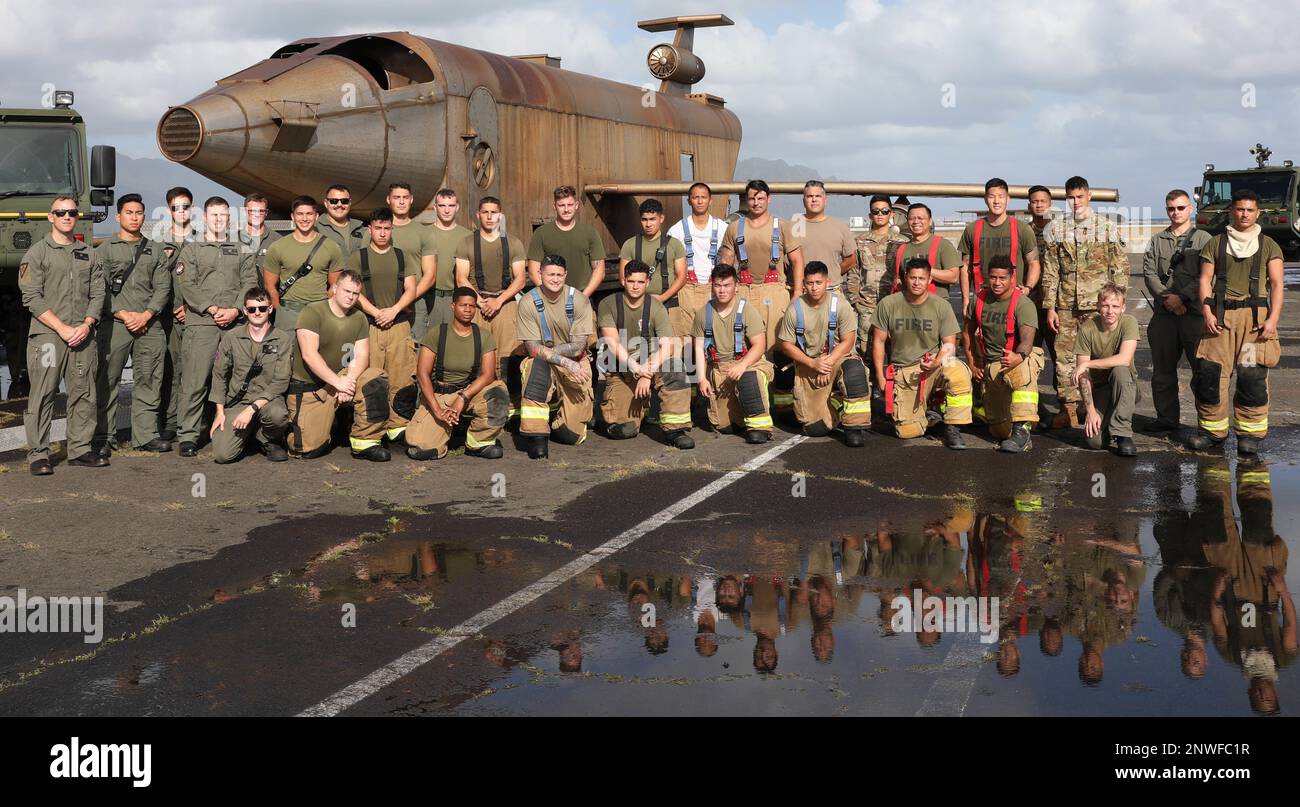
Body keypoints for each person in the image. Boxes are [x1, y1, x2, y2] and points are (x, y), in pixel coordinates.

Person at [1188, 188, 1285, 455]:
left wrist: (1272, 319)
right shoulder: (1216, 243)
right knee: (1210, 375)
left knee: (1251, 377)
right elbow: (1205, 280)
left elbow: (1277, 285)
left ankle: (1249, 435)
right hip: (1220, 318)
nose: (1244, 214)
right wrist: (1207, 313)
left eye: (1249, 210)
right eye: (1240, 209)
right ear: (1232, 211)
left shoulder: (1269, 245)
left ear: (1258, 213)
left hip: (1254, 322)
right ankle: (1212, 432)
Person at [19, 197, 105, 474]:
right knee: (43, 393)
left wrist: (88, 323)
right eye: (61, 212)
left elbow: (98, 293)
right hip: (48, 335)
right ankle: (38, 454)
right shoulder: (37, 254)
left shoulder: (88, 253)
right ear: (50, 217)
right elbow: (32, 297)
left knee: (83, 392)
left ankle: (80, 449)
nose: (67, 216)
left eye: (71, 212)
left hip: (82, 334)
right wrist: (62, 328)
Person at [1040, 176, 1130, 429]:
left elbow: (1120, 266)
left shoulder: (1106, 227)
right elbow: (1051, 270)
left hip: (1098, 306)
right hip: (1066, 305)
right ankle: (1068, 409)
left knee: (1101, 356)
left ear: (1089, 196)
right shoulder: (1057, 230)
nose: (1075, 201)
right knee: (1065, 358)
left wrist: (1116, 303)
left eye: (1080, 196)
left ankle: (1101, 405)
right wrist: (1050, 307)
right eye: (1071, 197)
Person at [174, 196, 259, 457]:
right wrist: (212, 309)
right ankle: (188, 435)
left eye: (223, 215)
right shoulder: (192, 249)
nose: (219, 220)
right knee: (195, 379)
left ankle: (237, 433)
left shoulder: (242, 247)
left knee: (237, 379)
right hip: (203, 323)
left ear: (229, 218)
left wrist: (235, 309)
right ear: (204, 217)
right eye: (214, 215)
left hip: (235, 322)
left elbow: (249, 280)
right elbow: (187, 285)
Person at [93, 194, 172, 457]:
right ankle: (104, 437)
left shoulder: (156, 249)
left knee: (149, 379)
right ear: (118, 216)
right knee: (108, 380)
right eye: (129, 212)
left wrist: (147, 314)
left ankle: (146, 435)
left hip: (149, 325)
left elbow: (163, 287)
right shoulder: (104, 250)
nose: (135, 217)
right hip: (115, 324)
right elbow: (98, 289)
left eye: (139, 213)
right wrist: (123, 313)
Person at [718, 179, 805, 412]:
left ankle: (784, 407)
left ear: (769, 199)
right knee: (747, 346)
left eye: (760, 198)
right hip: (744, 292)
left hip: (775, 291)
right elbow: (726, 260)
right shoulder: (735, 227)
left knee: (781, 347)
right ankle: (752, 402)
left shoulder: (783, 226)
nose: (756, 202)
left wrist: (797, 293)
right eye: (752, 198)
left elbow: (797, 260)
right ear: (746, 200)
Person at [287, 270, 390, 461]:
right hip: (313, 387)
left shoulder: (359, 317)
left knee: (375, 377)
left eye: (355, 293)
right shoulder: (313, 311)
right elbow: (309, 355)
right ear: (334, 288)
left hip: (341, 379)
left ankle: (365, 442)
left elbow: (361, 355)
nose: (350, 297)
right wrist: (338, 383)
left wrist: (348, 381)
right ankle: (322, 427)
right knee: (307, 450)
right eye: (346, 291)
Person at [872, 257, 972, 449]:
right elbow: (879, 341)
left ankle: (953, 427)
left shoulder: (941, 305)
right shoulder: (888, 304)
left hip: (934, 363)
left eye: (922, 278)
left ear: (929, 280)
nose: (917, 282)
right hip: (906, 370)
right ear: (905, 278)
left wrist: (937, 361)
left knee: (957, 370)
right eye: (913, 278)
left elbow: (950, 344)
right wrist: (880, 376)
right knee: (907, 432)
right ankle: (930, 417)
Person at [597, 260, 693, 448]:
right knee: (624, 430)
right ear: (623, 281)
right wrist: (637, 370)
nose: (635, 286)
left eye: (640, 282)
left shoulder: (656, 306)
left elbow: (668, 346)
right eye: (631, 281)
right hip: (622, 368)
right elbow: (612, 342)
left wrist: (647, 373)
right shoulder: (607, 304)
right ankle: (619, 413)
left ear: (647, 283)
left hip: (649, 362)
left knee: (675, 367)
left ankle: (675, 429)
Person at [406, 287, 509, 460]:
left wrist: (462, 398)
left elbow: (488, 374)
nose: (468, 310)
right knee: (422, 449)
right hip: (440, 394)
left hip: (468, 393)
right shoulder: (438, 333)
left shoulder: (484, 336)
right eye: (463, 305)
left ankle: (478, 442)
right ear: (453, 306)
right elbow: (422, 373)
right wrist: (437, 410)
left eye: (472, 306)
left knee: (498, 391)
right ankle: (445, 429)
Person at [1142, 189, 1212, 434]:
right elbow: (1149, 273)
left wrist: (1182, 297)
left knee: (1202, 372)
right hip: (1164, 315)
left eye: (1181, 208)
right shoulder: (1157, 240)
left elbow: (1206, 276)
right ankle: (1166, 419)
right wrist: (1167, 299)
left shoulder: (1204, 239)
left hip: (1193, 315)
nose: (1176, 213)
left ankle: (1208, 423)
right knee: (1162, 372)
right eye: (1171, 208)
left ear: (1190, 209)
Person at [348, 207, 420, 445]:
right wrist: (377, 312)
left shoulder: (402, 256)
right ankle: (372, 429)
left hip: (398, 324)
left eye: (386, 228)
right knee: (371, 379)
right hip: (369, 325)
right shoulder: (359, 257)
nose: (382, 233)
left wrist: (394, 310)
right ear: (370, 229)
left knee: (402, 378)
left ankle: (398, 427)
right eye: (377, 228)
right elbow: (353, 292)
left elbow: (411, 289)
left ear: (392, 229)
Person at [777, 261, 870, 445]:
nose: (814, 288)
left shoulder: (841, 306)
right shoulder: (795, 309)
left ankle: (854, 427)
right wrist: (813, 364)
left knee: (854, 370)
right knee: (815, 429)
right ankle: (837, 401)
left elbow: (849, 340)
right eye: (809, 283)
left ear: (827, 282)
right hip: (809, 364)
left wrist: (826, 365)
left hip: (836, 359)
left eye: (818, 282)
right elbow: (785, 345)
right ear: (804, 283)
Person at [516, 255, 596, 458]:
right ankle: (537, 436)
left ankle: (557, 420)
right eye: (550, 274)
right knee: (536, 368)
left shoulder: (579, 300)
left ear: (566, 275)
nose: (555, 279)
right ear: (539, 274)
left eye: (560, 275)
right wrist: (562, 360)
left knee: (572, 436)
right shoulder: (528, 302)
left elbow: (578, 346)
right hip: (544, 362)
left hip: (576, 363)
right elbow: (532, 348)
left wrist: (565, 360)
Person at [963, 255, 1043, 452]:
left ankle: (1023, 429)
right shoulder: (979, 300)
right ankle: (1008, 421)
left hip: (1018, 357)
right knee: (999, 431)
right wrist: (973, 363)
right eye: (993, 277)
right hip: (993, 364)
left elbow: (1027, 341)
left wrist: (1019, 356)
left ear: (1012, 278)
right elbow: (967, 332)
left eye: (1002, 278)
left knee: (1020, 367)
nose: (997, 283)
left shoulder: (1023, 304)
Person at [454, 196, 527, 406]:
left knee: (509, 357)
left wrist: (499, 300)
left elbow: (520, 279)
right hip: (477, 305)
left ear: (500, 215)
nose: (489, 216)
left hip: (505, 304)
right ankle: (478, 404)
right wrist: (480, 301)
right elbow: (461, 277)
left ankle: (512, 405)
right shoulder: (467, 243)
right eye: (484, 212)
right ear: (478, 215)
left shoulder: (513, 243)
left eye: (493, 212)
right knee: (477, 356)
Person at [208, 286, 292, 463]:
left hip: (267, 400)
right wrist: (220, 412)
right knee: (222, 455)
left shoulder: (282, 339)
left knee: (278, 415)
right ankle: (248, 435)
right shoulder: (231, 337)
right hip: (238, 401)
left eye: (262, 308)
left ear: (270, 309)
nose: (257, 313)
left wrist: (252, 409)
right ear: (245, 310)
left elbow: (281, 381)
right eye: (252, 309)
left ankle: (267, 438)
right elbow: (219, 375)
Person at [692, 264, 773, 442]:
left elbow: (759, 345)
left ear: (736, 287)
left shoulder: (746, 310)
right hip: (721, 369)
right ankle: (742, 416)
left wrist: (742, 365)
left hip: (749, 363)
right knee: (726, 426)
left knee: (749, 379)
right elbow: (699, 348)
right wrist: (702, 378)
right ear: (712, 286)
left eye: (727, 285)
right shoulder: (702, 314)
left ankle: (760, 427)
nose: (722, 290)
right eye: (718, 285)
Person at [262, 195, 345, 335]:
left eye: (309, 214)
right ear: (292, 217)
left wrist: (325, 308)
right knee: (286, 355)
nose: (304, 218)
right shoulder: (277, 247)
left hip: (319, 311)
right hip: (288, 313)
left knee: (318, 355)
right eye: (300, 214)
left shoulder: (332, 247)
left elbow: (336, 286)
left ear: (316, 216)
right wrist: (280, 310)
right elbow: (269, 285)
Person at [1073, 283, 1139, 456]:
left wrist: (1088, 364)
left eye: (1116, 306)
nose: (1110, 311)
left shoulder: (1129, 323)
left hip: (1126, 384)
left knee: (1120, 370)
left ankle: (1123, 433)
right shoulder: (1087, 328)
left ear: (1123, 307)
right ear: (1097, 306)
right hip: (1101, 388)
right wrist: (1091, 411)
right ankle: (1106, 418)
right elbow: (1083, 376)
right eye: (1105, 305)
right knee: (1094, 442)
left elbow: (1124, 359)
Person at [959, 177, 1040, 314]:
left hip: (1013, 300)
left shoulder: (1022, 229)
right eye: (992, 197)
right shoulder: (972, 230)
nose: (996, 201)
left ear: (1008, 199)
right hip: (982, 300)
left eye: (1001, 196)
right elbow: (964, 268)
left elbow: (1034, 262)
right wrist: (966, 300)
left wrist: (1027, 288)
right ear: (985, 199)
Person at [157, 185, 198, 442]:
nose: (181, 211)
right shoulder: (159, 242)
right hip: (170, 316)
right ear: (169, 210)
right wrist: (174, 308)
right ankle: (170, 421)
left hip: (196, 314)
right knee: (172, 370)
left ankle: (194, 421)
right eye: (175, 207)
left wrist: (191, 307)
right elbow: (158, 280)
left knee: (196, 371)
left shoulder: (203, 239)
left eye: (185, 206)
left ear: (192, 209)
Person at [846, 194, 906, 354]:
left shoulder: (902, 243)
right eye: (876, 211)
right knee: (866, 352)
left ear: (892, 214)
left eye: (885, 211)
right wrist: (855, 301)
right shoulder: (859, 241)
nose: (880, 214)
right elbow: (853, 273)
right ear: (870, 215)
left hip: (895, 306)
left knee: (898, 352)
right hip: (867, 307)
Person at [666, 182, 726, 337]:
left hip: (715, 288)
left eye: (703, 197)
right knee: (687, 335)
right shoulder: (676, 230)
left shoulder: (722, 228)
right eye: (695, 197)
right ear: (689, 200)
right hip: (687, 289)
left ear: (710, 200)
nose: (699, 201)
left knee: (715, 334)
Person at [526, 186, 606, 298]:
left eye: (570, 205)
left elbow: (599, 270)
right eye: (561, 205)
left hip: (582, 295)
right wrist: (550, 295)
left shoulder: (590, 233)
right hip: (551, 298)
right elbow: (533, 271)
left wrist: (583, 297)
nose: (566, 209)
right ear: (554, 206)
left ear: (577, 205)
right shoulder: (541, 233)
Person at [381, 182, 437, 340]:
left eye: (405, 197)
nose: (401, 202)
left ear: (411, 199)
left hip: (415, 303)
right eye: (396, 197)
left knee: (414, 348)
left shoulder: (423, 233)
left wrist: (406, 302)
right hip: (382, 301)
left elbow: (430, 275)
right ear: (388, 200)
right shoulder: (377, 230)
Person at [618, 198, 687, 314]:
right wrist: (641, 298)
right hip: (638, 304)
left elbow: (682, 277)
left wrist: (662, 298)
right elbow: (623, 278)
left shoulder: (675, 244)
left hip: (668, 303)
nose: (648, 224)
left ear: (661, 218)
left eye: (652, 219)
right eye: (644, 220)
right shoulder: (630, 244)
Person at [422, 188, 471, 336]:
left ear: (457, 207)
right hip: (430, 297)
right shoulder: (424, 233)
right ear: (435, 207)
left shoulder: (467, 236)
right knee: (429, 343)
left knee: (455, 341)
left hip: (456, 297)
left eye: (451, 205)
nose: (447, 210)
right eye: (442, 206)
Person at [888, 203, 962, 300]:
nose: (916, 221)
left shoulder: (943, 245)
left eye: (920, 218)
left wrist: (923, 271)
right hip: (908, 307)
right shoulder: (902, 249)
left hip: (935, 309)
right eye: (912, 218)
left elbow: (954, 277)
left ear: (930, 221)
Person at [795, 180, 856, 290]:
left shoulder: (840, 227)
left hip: (832, 290)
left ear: (825, 200)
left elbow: (850, 260)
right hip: (802, 291)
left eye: (818, 196)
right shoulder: (792, 227)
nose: (814, 199)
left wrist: (832, 273)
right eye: (809, 196)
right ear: (804, 201)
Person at [316, 184, 365, 258]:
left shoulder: (361, 229)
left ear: (350, 203)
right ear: (326, 203)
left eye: (344, 201)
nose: (339, 204)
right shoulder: (315, 228)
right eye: (334, 201)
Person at [239, 192, 281, 276]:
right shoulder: (233, 240)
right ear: (244, 212)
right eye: (252, 211)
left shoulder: (278, 240)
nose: (257, 214)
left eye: (261, 211)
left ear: (266, 213)